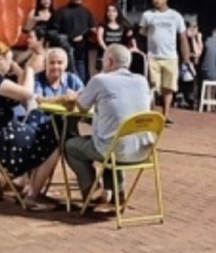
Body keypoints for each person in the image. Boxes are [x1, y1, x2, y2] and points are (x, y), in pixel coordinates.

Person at [0, 40, 59, 210]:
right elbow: (27, 95)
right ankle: (33, 195)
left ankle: (22, 185)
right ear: (0, 59)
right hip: (3, 140)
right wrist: (29, 70)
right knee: (54, 139)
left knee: (41, 123)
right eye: (9, 60)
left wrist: (18, 71)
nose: (10, 65)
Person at [65, 44, 154, 206]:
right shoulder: (142, 81)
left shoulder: (100, 80)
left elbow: (82, 106)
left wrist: (73, 96)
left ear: (110, 62)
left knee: (71, 146)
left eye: (103, 61)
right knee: (111, 137)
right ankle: (117, 194)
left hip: (114, 150)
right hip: (143, 150)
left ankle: (91, 192)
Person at [138, 0, 191, 125]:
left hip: (170, 56)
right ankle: (150, 114)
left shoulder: (175, 16)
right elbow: (141, 34)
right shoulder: (148, 15)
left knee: (168, 88)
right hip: (153, 56)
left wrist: (186, 58)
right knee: (152, 87)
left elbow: (183, 37)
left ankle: (165, 115)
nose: (155, 1)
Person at [50, 0, 97, 83]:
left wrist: (83, 36)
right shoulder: (62, 12)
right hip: (66, 49)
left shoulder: (85, 12)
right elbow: (52, 31)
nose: (78, 0)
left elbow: (93, 29)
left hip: (80, 49)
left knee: (79, 73)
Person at [95, 4, 135, 78]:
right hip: (105, 55)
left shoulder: (124, 26)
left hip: (119, 57)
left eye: (113, 11)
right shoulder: (102, 26)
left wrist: (134, 47)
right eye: (109, 11)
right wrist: (108, 50)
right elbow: (100, 40)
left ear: (118, 13)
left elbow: (131, 38)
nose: (111, 13)